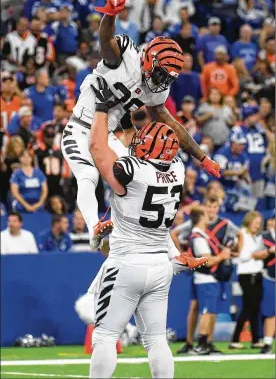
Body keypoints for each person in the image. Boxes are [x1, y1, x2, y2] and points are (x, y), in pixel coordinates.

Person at [61, 0, 221, 248]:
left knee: (143, 183)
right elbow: (105, 42)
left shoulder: (157, 89)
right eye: (160, 74)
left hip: (110, 135)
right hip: (80, 128)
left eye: (167, 78)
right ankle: (94, 226)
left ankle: (170, 250)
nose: (161, 82)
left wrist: (202, 157)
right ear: (149, 60)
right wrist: (110, 16)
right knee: (88, 174)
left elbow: (171, 123)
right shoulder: (127, 57)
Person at [88, 90, 207, 378]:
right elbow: (150, 149)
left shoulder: (133, 169)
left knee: (104, 336)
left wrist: (102, 108)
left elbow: (97, 149)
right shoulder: (177, 169)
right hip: (159, 266)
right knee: (155, 340)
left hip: (127, 262)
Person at [187, 207, 231, 355]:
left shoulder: (202, 235)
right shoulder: (198, 237)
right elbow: (206, 261)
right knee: (206, 312)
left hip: (209, 279)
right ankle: (201, 343)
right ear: (201, 216)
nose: (209, 217)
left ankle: (208, 343)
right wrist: (222, 256)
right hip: (205, 279)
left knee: (211, 312)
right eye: (206, 214)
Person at [229, 211, 264, 350]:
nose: (258, 225)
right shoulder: (241, 234)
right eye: (256, 222)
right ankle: (235, 339)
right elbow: (238, 257)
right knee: (248, 307)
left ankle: (255, 340)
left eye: (259, 223)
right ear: (249, 221)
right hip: (246, 275)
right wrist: (254, 255)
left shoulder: (257, 236)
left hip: (258, 273)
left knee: (255, 308)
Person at [252, 215, 275, 354]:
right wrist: (269, 251)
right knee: (271, 311)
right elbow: (255, 254)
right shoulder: (264, 236)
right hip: (270, 277)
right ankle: (267, 342)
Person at [34, 122, 64, 197]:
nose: (50, 139)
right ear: (43, 136)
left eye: (52, 136)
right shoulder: (38, 151)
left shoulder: (58, 152)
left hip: (56, 184)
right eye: (48, 136)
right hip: (43, 185)